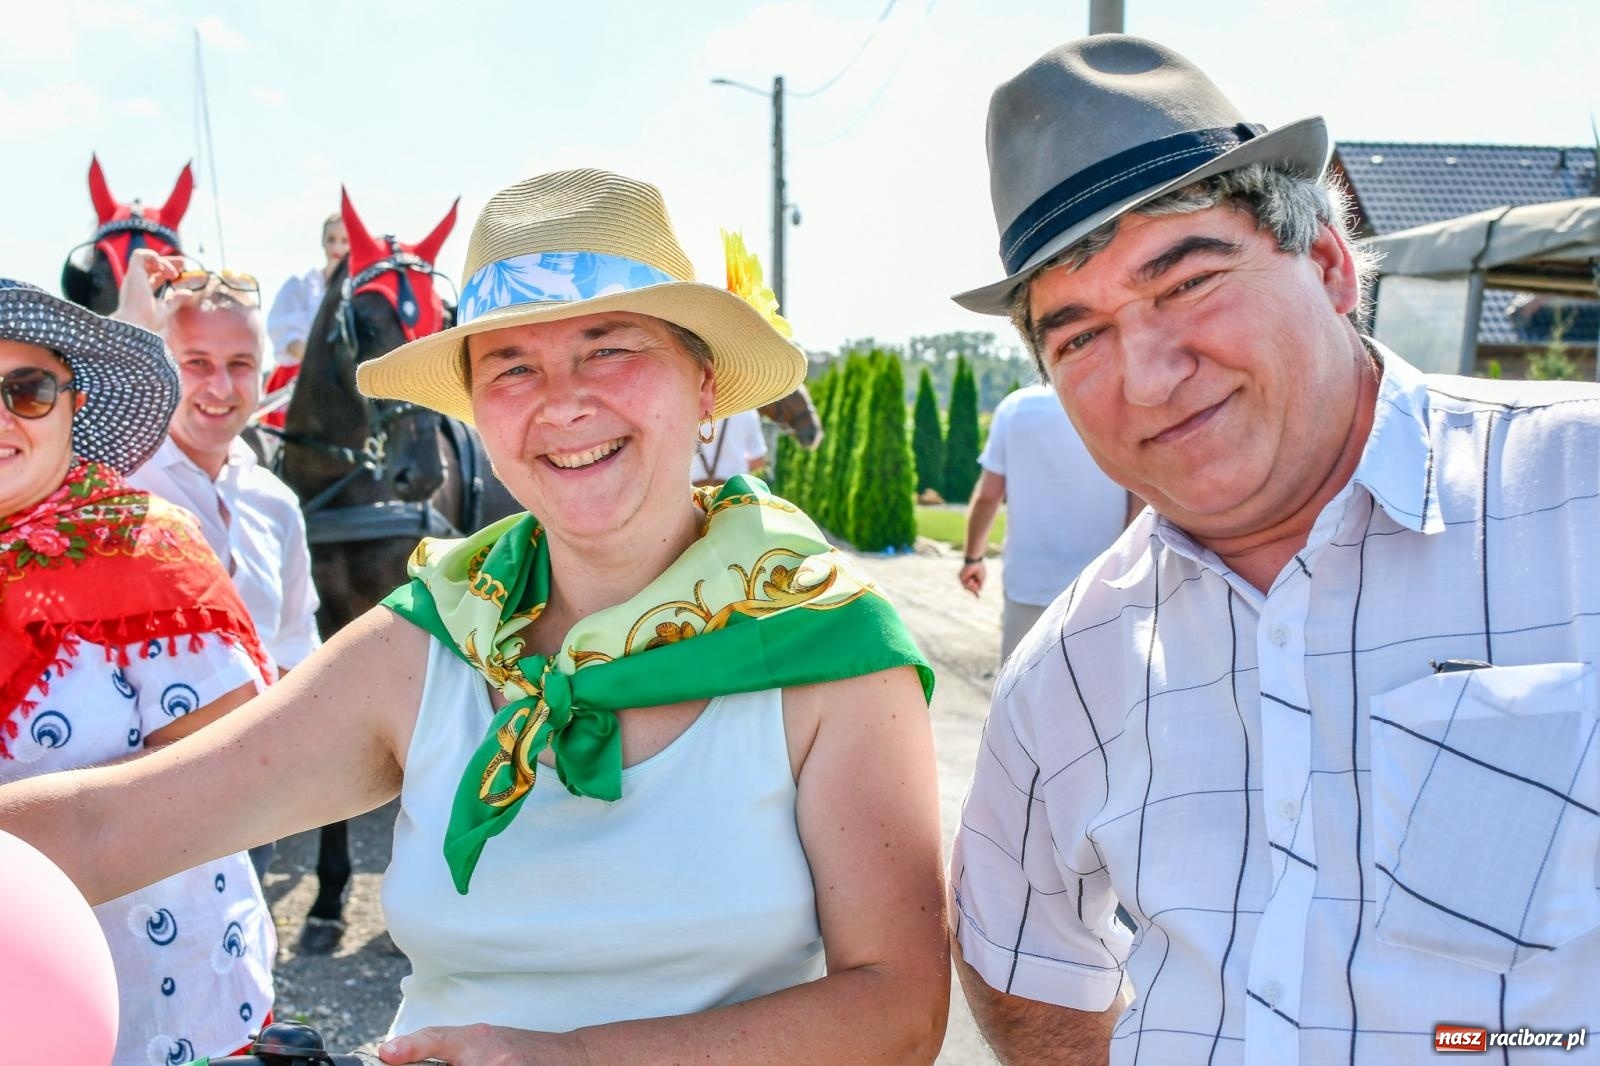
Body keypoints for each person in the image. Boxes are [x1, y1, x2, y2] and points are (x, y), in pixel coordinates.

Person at [1, 169, 950, 1065]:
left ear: (702, 384)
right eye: (510, 368)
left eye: (609, 349)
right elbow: (109, 830)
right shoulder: (429, 641)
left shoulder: (830, 647)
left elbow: (899, 1007)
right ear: (478, 414)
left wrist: (568, 1059)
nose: (563, 404)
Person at [947, 36, 1600, 1066]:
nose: (1149, 376)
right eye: (1079, 335)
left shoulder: (1577, 498)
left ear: (1331, 265)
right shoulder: (1067, 671)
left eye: (1188, 280)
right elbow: (1018, 959)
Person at [0, 279, 276, 1064]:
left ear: (73, 403)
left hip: (161, 1012)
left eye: (26, 389)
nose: (2, 416)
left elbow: (236, 785)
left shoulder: (148, 549)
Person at [957, 382, 1133, 663]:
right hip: (1103, 584)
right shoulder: (1119, 403)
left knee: (1020, 691)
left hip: (1028, 581)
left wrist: (972, 559)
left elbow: (988, 496)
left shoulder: (1015, 409)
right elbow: (1138, 499)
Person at [262, 212, 349, 427]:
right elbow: (289, 339)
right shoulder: (302, 285)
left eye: (344, 240)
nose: (337, 247)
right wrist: (323, 363)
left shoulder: (356, 290)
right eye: (331, 239)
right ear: (322, 241)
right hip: (301, 376)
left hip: (344, 381)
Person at [691, 407, 767, 487]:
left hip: (695, 491)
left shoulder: (690, 406)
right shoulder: (748, 411)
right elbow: (758, 460)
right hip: (734, 489)